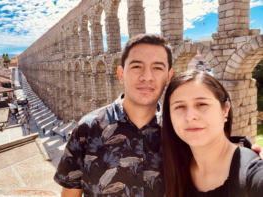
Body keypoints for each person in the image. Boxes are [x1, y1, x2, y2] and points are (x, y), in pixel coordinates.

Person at [54, 34, 263, 197]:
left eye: (157, 67)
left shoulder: (181, 132)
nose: (147, 76)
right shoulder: (86, 130)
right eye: (137, 66)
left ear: (168, 76)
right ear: (120, 74)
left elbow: (224, 157)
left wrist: (253, 157)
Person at [161, 70, 263, 197]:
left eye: (202, 104)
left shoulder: (252, 172)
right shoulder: (172, 170)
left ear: (225, 110)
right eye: (180, 107)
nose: (190, 116)